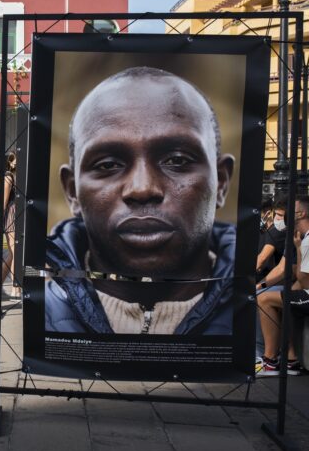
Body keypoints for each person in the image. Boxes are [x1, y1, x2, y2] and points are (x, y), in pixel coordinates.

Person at [46, 66, 235, 334]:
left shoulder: (256, 317)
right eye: (108, 164)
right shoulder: (42, 315)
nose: (142, 189)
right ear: (72, 191)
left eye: (177, 161)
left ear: (221, 182)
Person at [256, 196, 309, 376]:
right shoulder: (297, 236)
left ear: (301, 213)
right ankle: (291, 360)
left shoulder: (305, 239)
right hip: (303, 288)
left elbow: (301, 277)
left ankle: (270, 361)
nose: (283, 216)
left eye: (287, 212)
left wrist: (300, 248)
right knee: (282, 296)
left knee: (265, 299)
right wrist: (260, 284)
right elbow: (288, 269)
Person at [0, 152, 21, 299]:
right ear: (11, 162)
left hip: (17, 214)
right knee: (15, 252)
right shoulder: (9, 177)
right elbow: (3, 202)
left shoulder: (16, 176)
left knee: (12, 254)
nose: (18, 162)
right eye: (16, 160)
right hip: (11, 215)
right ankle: (16, 288)